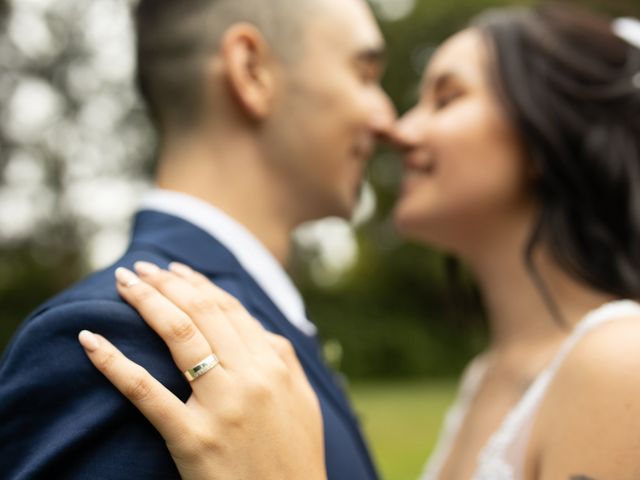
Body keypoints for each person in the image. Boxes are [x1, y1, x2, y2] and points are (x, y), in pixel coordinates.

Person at [81, 4, 640, 480]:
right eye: (367, 76)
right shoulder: (483, 377)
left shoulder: (620, 362)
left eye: (446, 99)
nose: (397, 127)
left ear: (545, 136)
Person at [0, 0, 395, 478]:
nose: (386, 119)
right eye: (365, 74)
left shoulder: (260, 308)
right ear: (251, 70)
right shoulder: (123, 337)